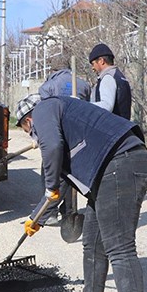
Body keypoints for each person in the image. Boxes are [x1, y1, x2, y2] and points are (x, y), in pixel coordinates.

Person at [15, 93, 147, 292]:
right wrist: (37, 218)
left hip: (122, 163)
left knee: (120, 249)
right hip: (107, 170)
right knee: (92, 243)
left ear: (28, 121)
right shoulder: (62, 121)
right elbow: (61, 182)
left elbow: (52, 150)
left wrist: (48, 186)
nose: (31, 135)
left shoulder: (44, 108)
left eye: (27, 130)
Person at [36, 60, 92, 226]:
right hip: (77, 137)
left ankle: (50, 212)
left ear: (53, 71)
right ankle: (68, 210)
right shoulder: (84, 85)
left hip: (57, 133)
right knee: (70, 174)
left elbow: (46, 111)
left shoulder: (48, 86)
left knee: (51, 171)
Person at [88, 43, 132, 120]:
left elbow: (106, 106)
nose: (93, 68)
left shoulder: (108, 78)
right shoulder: (119, 76)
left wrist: (84, 106)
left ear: (101, 61)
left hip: (111, 126)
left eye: (93, 64)